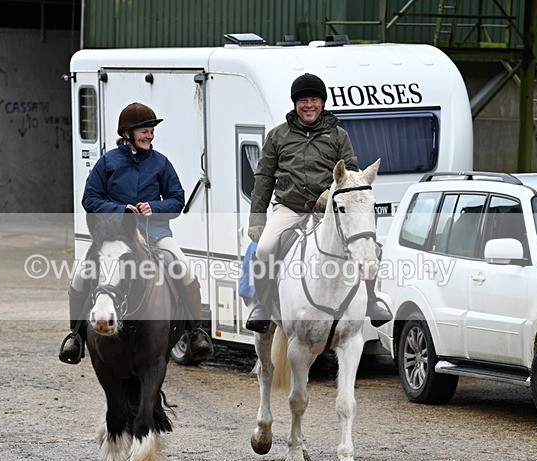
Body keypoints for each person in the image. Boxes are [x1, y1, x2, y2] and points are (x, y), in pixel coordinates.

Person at [58, 102, 213, 364]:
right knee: (80, 276)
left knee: (184, 269)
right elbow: (90, 199)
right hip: (114, 238)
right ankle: (75, 336)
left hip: (155, 235)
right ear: (128, 133)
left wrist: (155, 206)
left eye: (152, 131)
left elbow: (177, 200)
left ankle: (196, 331)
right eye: (145, 131)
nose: (150, 135)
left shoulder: (161, 163)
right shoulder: (107, 162)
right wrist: (121, 210)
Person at [245, 73, 391, 333]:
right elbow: (264, 178)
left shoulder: (338, 135)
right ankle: (263, 305)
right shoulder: (277, 136)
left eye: (314, 99)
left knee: (369, 247)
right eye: (303, 100)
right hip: (290, 207)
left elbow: (352, 174)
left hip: (328, 210)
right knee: (265, 247)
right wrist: (257, 218)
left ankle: (371, 300)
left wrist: (329, 196)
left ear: (322, 103)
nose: (308, 105)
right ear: (295, 104)